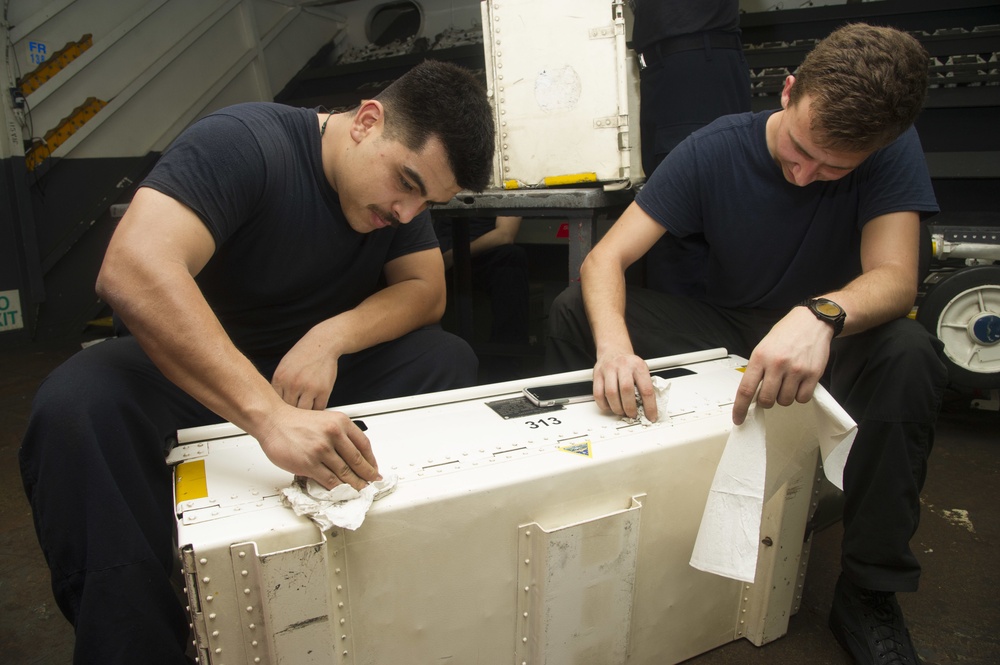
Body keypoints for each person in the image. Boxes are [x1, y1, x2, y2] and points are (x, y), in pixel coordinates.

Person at [19, 59, 494, 664]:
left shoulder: (393, 203)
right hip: (198, 371)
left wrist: (330, 338)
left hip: (306, 374)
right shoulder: (244, 142)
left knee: (443, 359)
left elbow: (426, 290)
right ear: (367, 122)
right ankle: (133, 639)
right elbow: (133, 267)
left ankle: (389, 585)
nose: (406, 213)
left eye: (427, 202)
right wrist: (268, 417)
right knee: (76, 404)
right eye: (406, 182)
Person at [546, 23, 947, 665]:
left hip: (829, 336)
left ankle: (869, 589)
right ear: (788, 91)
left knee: (910, 354)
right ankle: (613, 504)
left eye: (832, 169)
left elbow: (897, 280)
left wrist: (821, 313)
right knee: (577, 315)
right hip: (728, 329)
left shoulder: (891, 148)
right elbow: (604, 262)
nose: (804, 173)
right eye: (798, 147)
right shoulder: (713, 148)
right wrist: (615, 348)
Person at [630, 0, 752, 294]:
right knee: (669, 213)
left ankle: (693, 335)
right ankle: (681, 331)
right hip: (662, 69)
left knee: (684, 218)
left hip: (695, 62)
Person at [435, 215, 530, 345]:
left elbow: (505, 234)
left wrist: (451, 257)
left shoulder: (505, 193)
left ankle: (507, 352)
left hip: (484, 250)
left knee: (512, 257)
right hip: (440, 247)